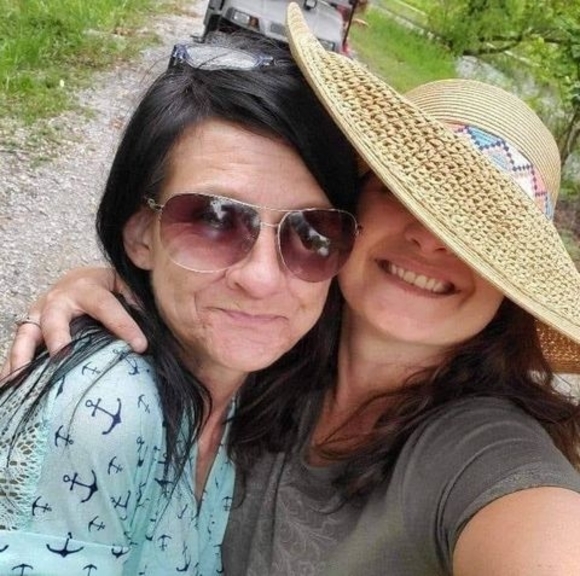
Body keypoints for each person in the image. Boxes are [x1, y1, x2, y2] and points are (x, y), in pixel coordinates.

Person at [5, 6, 580, 574]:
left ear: (511, 288)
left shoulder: (489, 454)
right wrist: (123, 283)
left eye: (479, 233)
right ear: (348, 218)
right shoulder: (268, 353)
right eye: (403, 195)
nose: (430, 241)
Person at [0, 34, 361, 575]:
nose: (262, 278)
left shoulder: (250, 389)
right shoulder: (111, 411)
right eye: (214, 220)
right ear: (139, 234)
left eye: (312, 231)